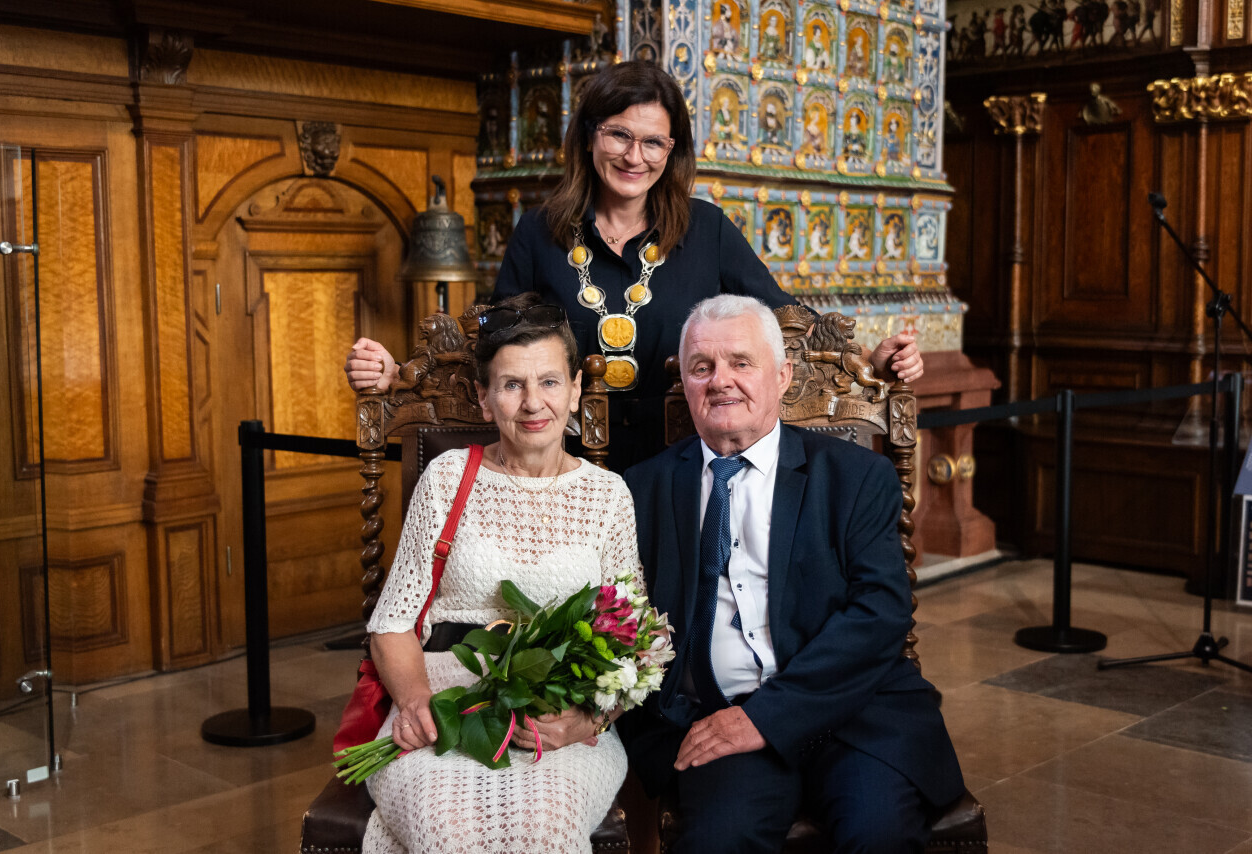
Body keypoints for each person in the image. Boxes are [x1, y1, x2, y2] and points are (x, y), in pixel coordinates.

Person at [345, 61, 921, 470]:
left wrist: (869, 360)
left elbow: (786, 323)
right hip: (566, 461)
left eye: (653, 143)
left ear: (672, 151)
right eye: (619, 134)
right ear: (588, 137)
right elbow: (496, 341)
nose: (634, 156)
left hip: (685, 460)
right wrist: (400, 373)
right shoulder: (539, 231)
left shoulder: (707, 229)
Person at [618, 295, 965, 853]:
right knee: (717, 844)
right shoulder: (641, 488)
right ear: (684, 383)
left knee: (877, 834)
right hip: (717, 719)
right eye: (702, 367)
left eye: (741, 362)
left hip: (854, 713)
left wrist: (767, 716)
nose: (721, 381)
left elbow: (880, 614)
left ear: (782, 377)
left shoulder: (856, 476)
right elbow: (624, 619)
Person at [361, 293, 643, 854]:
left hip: (559, 713)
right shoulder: (447, 477)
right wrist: (415, 703)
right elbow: (392, 621)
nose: (533, 403)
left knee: (546, 827)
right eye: (512, 385)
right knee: (448, 826)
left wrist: (588, 721)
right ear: (484, 399)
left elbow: (632, 641)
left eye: (550, 381)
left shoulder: (609, 496)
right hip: (445, 697)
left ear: (576, 390)